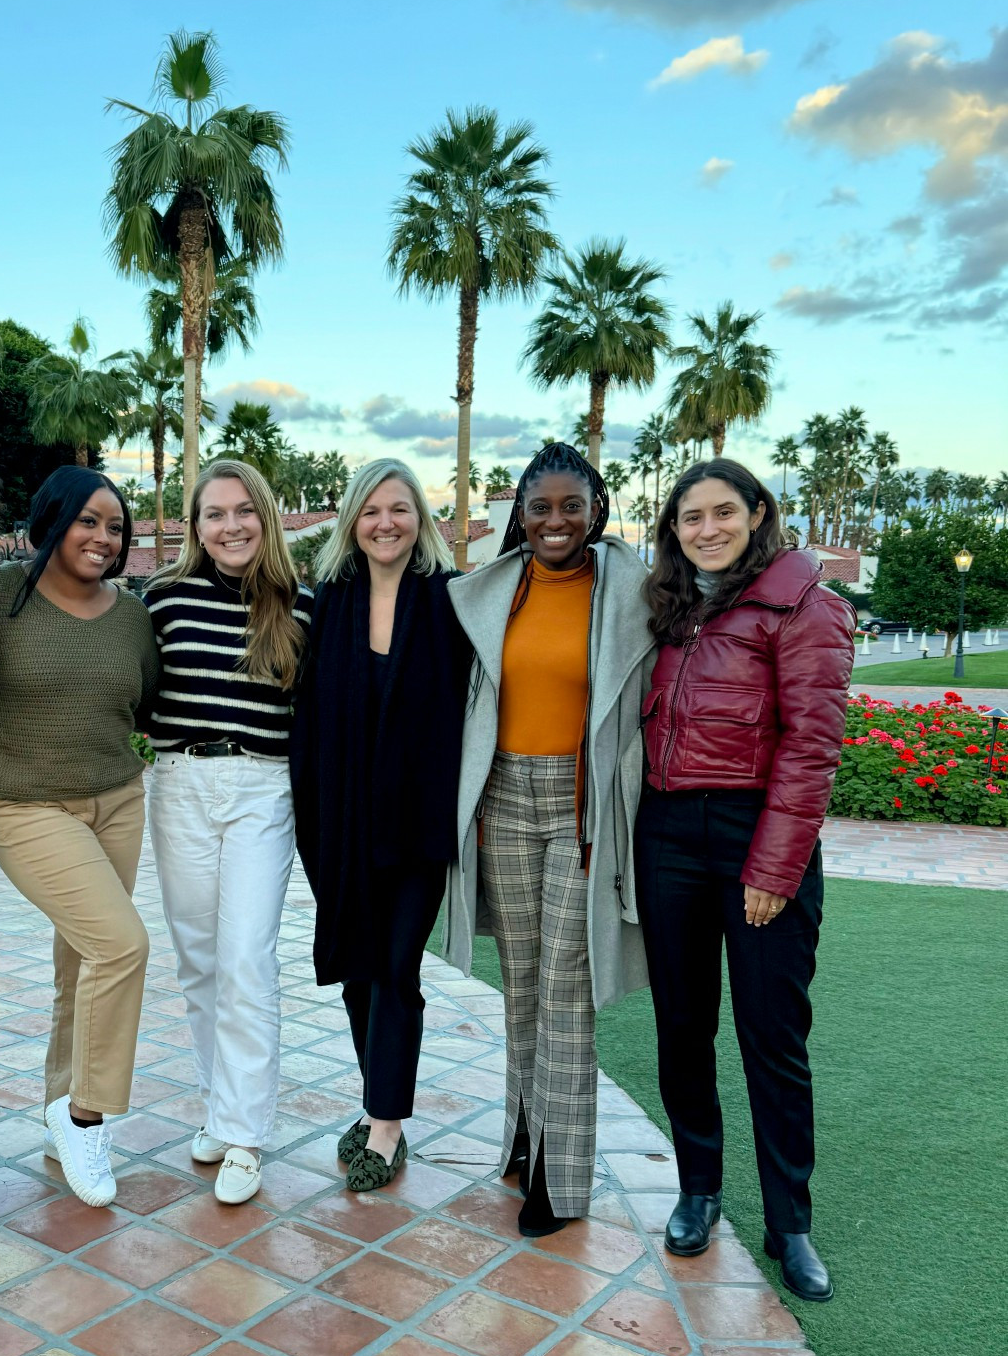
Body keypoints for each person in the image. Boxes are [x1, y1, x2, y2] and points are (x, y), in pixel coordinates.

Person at [639, 457, 853, 1301]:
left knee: (773, 1036)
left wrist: (772, 868)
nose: (708, 530)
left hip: (759, 835)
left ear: (758, 513)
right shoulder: (671, 607)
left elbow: (811, 748)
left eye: (724, 512)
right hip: (668, 837)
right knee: (683, 1026)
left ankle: (789, 1223)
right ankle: (699, 1190)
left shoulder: (806, 604)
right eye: (691, 519)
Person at [442, 442, 653, 1235]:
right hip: (503, 799)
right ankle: (524, 1138)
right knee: (522, 984)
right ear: (519, 517)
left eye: (572, 505)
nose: (556, 520)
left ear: (597, 509)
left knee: (566, 988)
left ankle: (559, 1184)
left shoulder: (631, 588)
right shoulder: (493, 590)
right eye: (540, 507)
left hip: (582, 805)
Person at [0, 468, 158, 1210]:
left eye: (115, 527)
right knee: (121, 945)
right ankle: (86, 1116)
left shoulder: (131, 617)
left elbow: (144, 704)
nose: (103, 538)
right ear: (50, 520)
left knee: (83, 962)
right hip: (24, 806)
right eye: (87, 521)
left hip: (117, 801)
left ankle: (58, 1108)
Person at [292, 458, 468, 1192]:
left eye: (399, 509)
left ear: (420, 518)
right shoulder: (327, 601)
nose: (385, 523)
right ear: (350, 521)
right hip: (339, 820)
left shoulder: (453, 599)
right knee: (357, 971)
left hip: (420, 823)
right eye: (371, 511)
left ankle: (387, 1123)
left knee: (396, 968)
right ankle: (377, 1103)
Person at [144, 459, 312, 1204]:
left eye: (244, 510)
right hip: (179, 782)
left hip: (261, 790)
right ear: (195, 525)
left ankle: (244, 1134)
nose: (231, 525)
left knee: (247, 957)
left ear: (266, 517)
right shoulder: (161, 601)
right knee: (200, 959)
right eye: (214, 513)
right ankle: (220, 1103)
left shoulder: (301, 605)